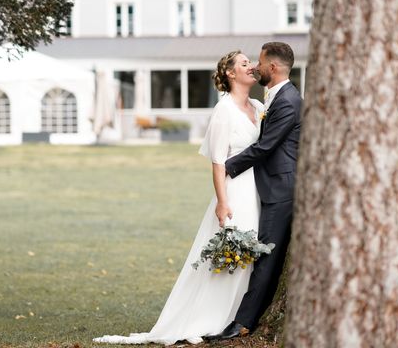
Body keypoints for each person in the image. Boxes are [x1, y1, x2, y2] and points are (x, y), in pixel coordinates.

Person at [93, 50, 264, 345]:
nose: (251, 67)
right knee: (231, 253)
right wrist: (222, 202)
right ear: (231, 74)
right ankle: (214, 316)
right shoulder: (224, 111)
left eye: (251, 62)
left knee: (251, 255)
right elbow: (218, 162)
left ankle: (242, 313)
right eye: (244, 64)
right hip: (235, 191)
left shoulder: (259, 105)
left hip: (259, 190)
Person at [209, 41, 301, 340]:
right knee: (260, 252)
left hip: (279, 189)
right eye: (248, 63)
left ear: (272, 67)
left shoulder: (286, 100)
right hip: (260, 188)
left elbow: (265, 146)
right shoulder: (269, 99)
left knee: (266, 256)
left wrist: (228, 167)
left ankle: (244, 321)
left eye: (258, 62)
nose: (255, 67)